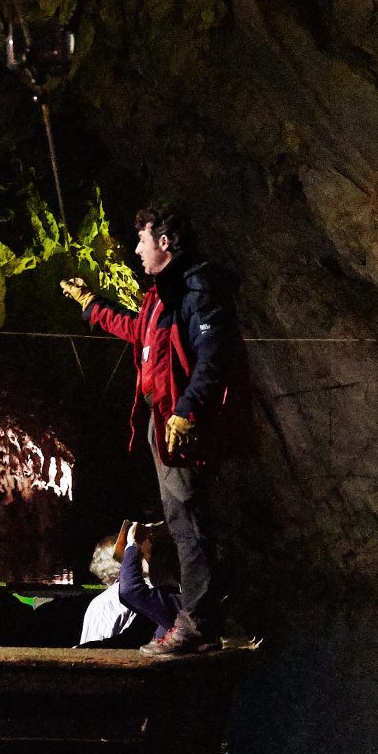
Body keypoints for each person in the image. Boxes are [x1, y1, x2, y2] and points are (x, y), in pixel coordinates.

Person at [62, 204, 253, 655]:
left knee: (190, 522)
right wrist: (92, 307)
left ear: (164, 243)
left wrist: (186, 410)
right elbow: (140, 333)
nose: (136, 250)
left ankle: (198, 623)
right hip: (162, 419)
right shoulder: (162, 294)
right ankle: (196, 618)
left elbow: (214, 357)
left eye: (142, 241)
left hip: (181, 424)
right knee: (182, 520)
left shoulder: (196, 289)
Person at [78, 520, 181, 649]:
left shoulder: (175, 602)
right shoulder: (169, 599)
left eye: (143, 555)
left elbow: (131, 590)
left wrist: (132, 544)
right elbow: (131, 637)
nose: (143, 560)